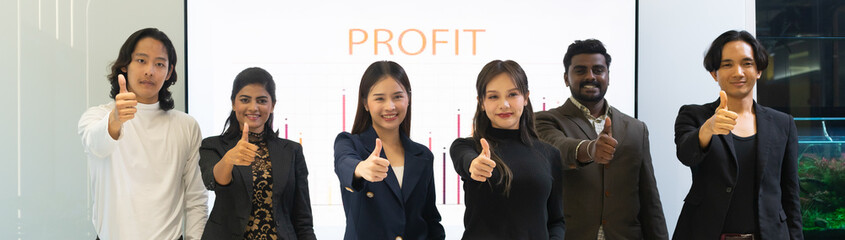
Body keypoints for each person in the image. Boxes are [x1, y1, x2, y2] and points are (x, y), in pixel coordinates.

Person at [77, 28, 207, 240]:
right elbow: (97, 145)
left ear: (169, 72)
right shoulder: (97, 117)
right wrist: (116, 119)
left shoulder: (186, 126)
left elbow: (196, 199)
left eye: (159, 64)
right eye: (141, 61)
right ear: (124, 66)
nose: (150, 71)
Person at [673, 30, 803, 240]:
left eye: (747, 63)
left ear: (758, 70)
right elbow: (686, 154)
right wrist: (708, 128)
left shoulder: (783, 124)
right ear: (714, 73)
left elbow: (790, 195)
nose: (738, 72)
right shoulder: (694, 115)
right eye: (727, 65)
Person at [535, 39, 668, 240]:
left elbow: (650, 200)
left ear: (608, 76)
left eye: (598, 70)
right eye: (580, 70)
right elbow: (558, 148)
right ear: (566, 78)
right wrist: (590, 149)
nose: (591, 76)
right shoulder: (544, 120)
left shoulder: (636, 129)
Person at [450, 60, 565, 239]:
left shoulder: (550, 154)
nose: (504, 104)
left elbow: (556, 221)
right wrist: (474, 165)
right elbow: (466, 160)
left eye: (512, 94)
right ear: (481, 102)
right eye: (493, 97)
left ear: (525, 98)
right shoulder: (466, 147)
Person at [198, 67, 316, 239]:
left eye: (261, 100)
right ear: (233, 103)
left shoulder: (292, 151)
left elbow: (302, 219)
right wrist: (229, 159)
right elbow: (212, 181)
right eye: (245, 100)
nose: (253, 107)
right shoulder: (213, 145)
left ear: (272, 105)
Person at [334, 61, 445, 240]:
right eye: (380, 99)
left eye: (398, 97)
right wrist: (361, 169)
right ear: (365, 103)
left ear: (408, 99)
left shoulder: (423, 155)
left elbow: (430, 219)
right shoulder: (349, 143)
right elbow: (344, 163)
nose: (390, 106)